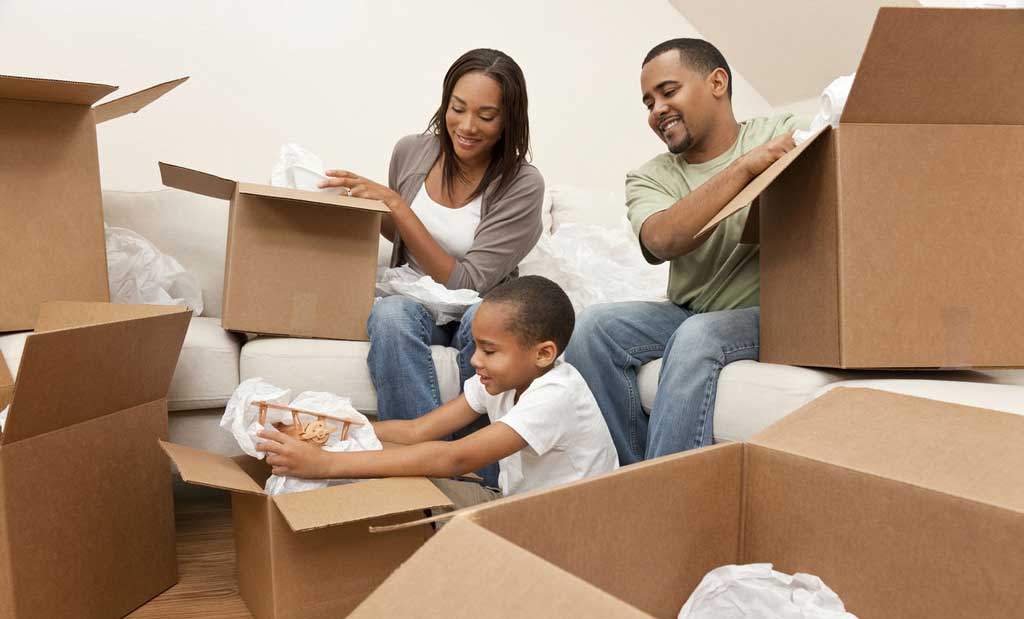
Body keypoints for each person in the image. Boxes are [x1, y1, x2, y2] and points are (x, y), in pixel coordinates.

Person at [565, 38, 801, 465]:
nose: (656, 110)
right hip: (690, 308)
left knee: (697, 336)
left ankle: (664, 498)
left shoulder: (779, 133)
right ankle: (636, 477)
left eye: (668, 92)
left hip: (772, 313)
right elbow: (661, 240)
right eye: (648, 102)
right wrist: (745, 167)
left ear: (717, 82)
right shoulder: (649, 177)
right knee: (592, 329)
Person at [318, 48, 545, 443]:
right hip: (415, 299)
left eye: (486, 116)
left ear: (509, 120)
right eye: (458, 108)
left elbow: (469, 281)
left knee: (482, 321)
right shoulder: (412, 151)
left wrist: (396, 205)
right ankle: (421, 471)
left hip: (480, 308)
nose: (467, 126)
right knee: (389, 315)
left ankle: (479, 475)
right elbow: (402, 235)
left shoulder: (523, 184)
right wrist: (362, 209)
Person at [257, 276, 618, 508]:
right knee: (390, 476)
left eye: (489, 351)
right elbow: (417, 431)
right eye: (475, 346)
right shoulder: (500, 380)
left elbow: (457, 458)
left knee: (397, 488)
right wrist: (330, 427)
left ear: (543, 354)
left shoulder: (557, 395)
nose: (475, 360)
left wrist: (328, 465)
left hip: (564, 528)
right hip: (516, 505)